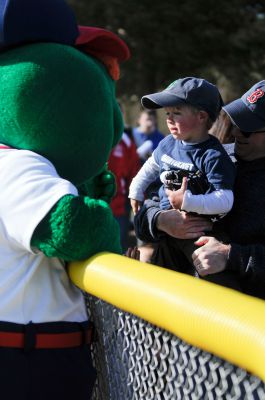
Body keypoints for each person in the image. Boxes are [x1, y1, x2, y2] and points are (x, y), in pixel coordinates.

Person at [134, 80, 265, 299]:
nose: (237, 133)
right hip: (180, 301)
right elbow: (148, 208)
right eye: (236, 123)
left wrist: (230, 256)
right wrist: (160, 220)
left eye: (249, 129)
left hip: (243, 320)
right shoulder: (215, 154)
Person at [129, 77, 236, 281]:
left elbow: (225, 199)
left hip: (196, 232)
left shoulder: (213, 155)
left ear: (202, 116)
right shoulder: (168, 143)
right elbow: (151, 166)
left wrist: (189, 202)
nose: (168, 119)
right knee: (158, 283)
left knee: (210, 278)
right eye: (167, 113)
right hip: (165, 232)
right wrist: (136, 189)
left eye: (176, 113)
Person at [108, 127, 140, 252]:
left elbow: (134, 172)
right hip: (95, 201)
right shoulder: (96, 136)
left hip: (119, 206)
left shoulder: (126, 142)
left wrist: (136, 196)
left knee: (119, 244)